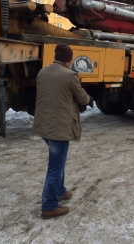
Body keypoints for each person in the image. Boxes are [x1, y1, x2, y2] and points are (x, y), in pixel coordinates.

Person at [33, 43, 93, 219]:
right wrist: (90, 99)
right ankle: (49, 206)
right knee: (55, 166)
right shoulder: (69, 75)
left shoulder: (42, 72)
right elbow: (82, 98)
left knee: (58, 161)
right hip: (59, 128)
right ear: (69, 59)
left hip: (44, 126)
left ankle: (60, 190)